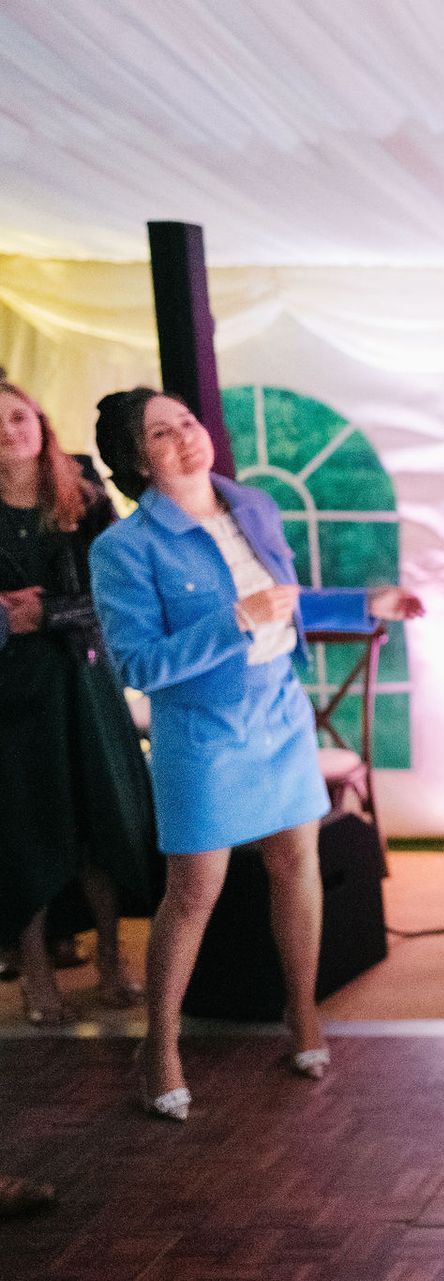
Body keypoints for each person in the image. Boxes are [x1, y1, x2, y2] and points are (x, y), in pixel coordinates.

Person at [89, 388, 424, 1122]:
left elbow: (287, 602)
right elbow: (140, 665)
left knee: (294, 864)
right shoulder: (124, 548)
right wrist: (232, 621)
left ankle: (301, 1014)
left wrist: (365, 604)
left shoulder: (256, 507)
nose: (185, 438)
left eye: (187, 421)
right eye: (160, 432)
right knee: (194, 891)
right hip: (202, 730)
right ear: (135, 458)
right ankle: (161, 1046)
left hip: (280, 712)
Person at [0, 377, 155, 1027]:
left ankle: (114, 961)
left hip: (85, 681)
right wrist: (11, 622)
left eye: (17, 415)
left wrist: (48, 611)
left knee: (101, 826)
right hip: (13, 692)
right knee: (27, 830)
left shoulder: (86, 497)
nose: (10, 430)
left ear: (38, 418)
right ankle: (37, 975)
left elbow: (116, 594)